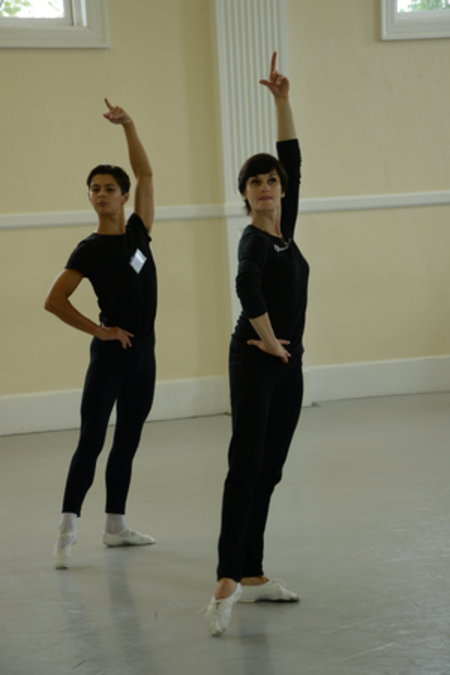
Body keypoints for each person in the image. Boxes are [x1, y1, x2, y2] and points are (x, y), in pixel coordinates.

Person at [205, 53, 309, 636]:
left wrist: (281, 100)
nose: (266, 187)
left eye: (271, 181)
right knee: (244, 467)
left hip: (288, 364)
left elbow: (292, 158)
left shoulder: (284, 232)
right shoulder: (252, 241)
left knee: (270, 470)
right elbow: (246, 288)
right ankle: (226, 577)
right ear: (244, 194)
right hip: (255, 361)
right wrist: (268, 341)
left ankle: (252, 570)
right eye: (255, 182)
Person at [45, 99, 157, 569]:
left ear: (124, 196)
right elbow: (54, 300)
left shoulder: (138, 233)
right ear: (89, 197)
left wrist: (128, 125)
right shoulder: (88, 249)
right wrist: (99, 330)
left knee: (127, 440)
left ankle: (115, 525)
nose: (101, 194)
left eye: (109, 188)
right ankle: (67, 527)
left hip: (144, 355)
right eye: (95, 189)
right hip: (110, 357)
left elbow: (146, 173)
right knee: (91, 439)